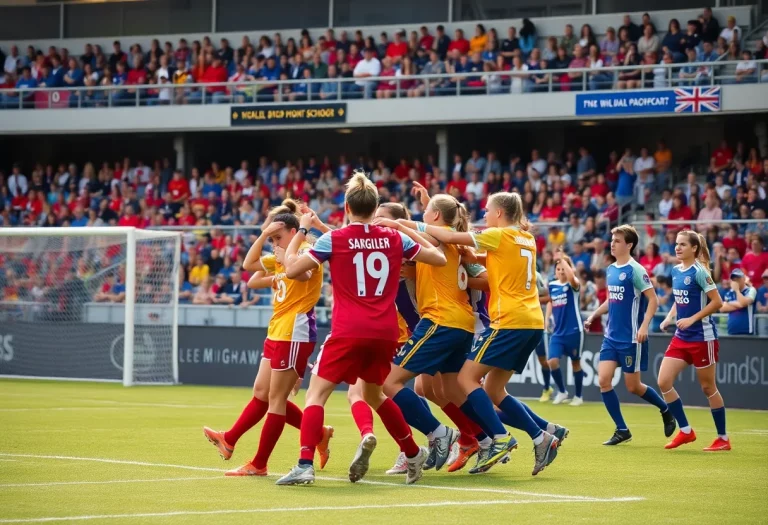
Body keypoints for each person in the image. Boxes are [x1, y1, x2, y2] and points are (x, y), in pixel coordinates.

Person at [276, 170, 447, 486]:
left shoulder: (333, 239)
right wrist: (400, 227)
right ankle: (412, 453)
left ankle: (304, 464)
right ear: (375, 206)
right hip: (384, 332)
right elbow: (438, 257)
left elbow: (291, 269)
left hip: (348, 329)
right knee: (375, 394)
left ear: (346, 206)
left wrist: (300, 231)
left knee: (315, 396)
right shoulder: (395, 237)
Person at [394, 192, 567, 476]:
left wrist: (406, 224)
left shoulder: (498, 235)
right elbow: (487, 260)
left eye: (488, 211)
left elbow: (449, 237)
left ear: (500, 213)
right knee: (493, 390)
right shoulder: (527, 239)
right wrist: (468, 261)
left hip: (509, 320)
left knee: (465, 379)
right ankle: (542, 436)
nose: (484, 215)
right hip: (532, 321)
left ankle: (498, 439)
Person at [202, 201, 332, 476]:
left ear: (295, 232)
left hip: (295, 330)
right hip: (277, 329)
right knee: (262, 393)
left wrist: (286, 254)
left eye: (277, 237)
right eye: (272, 239)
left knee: (276, 399)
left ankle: (259, 463)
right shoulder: (283, 253)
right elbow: (249, 265)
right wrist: (263, 237)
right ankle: (317, 433)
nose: (274, 243)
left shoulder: (308, 251)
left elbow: (304, 272)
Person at [382, 194, 488, 473]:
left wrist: (400, 226)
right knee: (444, 389)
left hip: (442, 320)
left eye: (426, 210)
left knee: (389, 383)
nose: (423, 213)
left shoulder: (443, 237)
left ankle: (440, 433)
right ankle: (486, 437)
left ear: (436, 216)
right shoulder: (446, 237)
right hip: (458, 322)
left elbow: (429, 240)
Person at [585, 225, 675, 445]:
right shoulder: (611, 269)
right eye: (612, 239)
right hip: (611, 337)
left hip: (631, 339)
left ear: (629, 245)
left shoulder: (636, 270)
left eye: (617, 240)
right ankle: (622, 429)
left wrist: (644, 326)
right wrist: (594, 314)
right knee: (603, 381)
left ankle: (665, 410)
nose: (612, 243)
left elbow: (653, 300)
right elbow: (611, 299)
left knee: (633, 386)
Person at [659, 231, 730, 451]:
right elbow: (679, 299)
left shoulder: (700, 272)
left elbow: (717, 302)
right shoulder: (676, 270)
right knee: (663, 381)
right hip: (681, 337)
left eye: (683, 245)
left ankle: (723, 438)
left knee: (708, 387)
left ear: (694, 249)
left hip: (702, 337)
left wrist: (692, 319)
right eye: (676, 244)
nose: (677, 248)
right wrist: (670, 317)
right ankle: (686, 431)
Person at [545, 250, 585, 406]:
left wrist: (563, 259)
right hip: (558, 332)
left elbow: (573, 279)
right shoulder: (552, 285)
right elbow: (550, 301)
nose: (560, 271)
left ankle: (579, 396)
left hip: (574, 331)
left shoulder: (573, 285)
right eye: (558, 269)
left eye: (563, 268)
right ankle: (562, 391)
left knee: (575, 363)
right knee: (552, 361)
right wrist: (547, 318)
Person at [719, 268, 757, 335]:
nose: (735, 280)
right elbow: (722, 308)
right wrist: (741, 304)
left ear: (743, 279)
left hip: (747, 331)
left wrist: (737, 291)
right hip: (732, 331)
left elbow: (743, 303)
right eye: (733, 279)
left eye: (738, 278)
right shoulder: (729, 293)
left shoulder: (751, 290)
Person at [535, 272, 554, 402]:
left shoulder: (535, 276)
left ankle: (548, 387)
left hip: (537, 323)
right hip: (517, 323)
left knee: (544, 359)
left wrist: (532, 299)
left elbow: (548, 297)